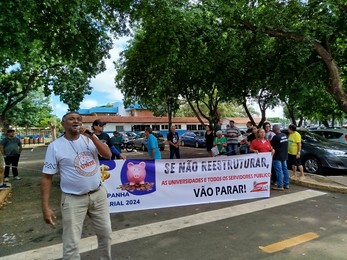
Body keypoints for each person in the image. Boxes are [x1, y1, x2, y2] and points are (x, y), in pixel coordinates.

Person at [40, 111, 113, 259]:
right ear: (63, 124)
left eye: (79, 119)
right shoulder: (55, 147)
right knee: (71, 243)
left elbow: (107, 155)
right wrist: (45, 207)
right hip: (73, 199)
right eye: (71, 119)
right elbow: (47, 177)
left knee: (106, 234)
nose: (76, 121)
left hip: (98, 194)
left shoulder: (90, 139)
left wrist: (92, 135)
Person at [271, 124, 289, 191]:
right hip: (284, 156)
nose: (272, 130)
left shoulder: (275, 137)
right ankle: (286, 184)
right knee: (285, 170)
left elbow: (271, 146)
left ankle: (280, 186)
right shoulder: (285, 135)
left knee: (279, 171)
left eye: (273, 128)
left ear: (275, 129)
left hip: (277, 157)